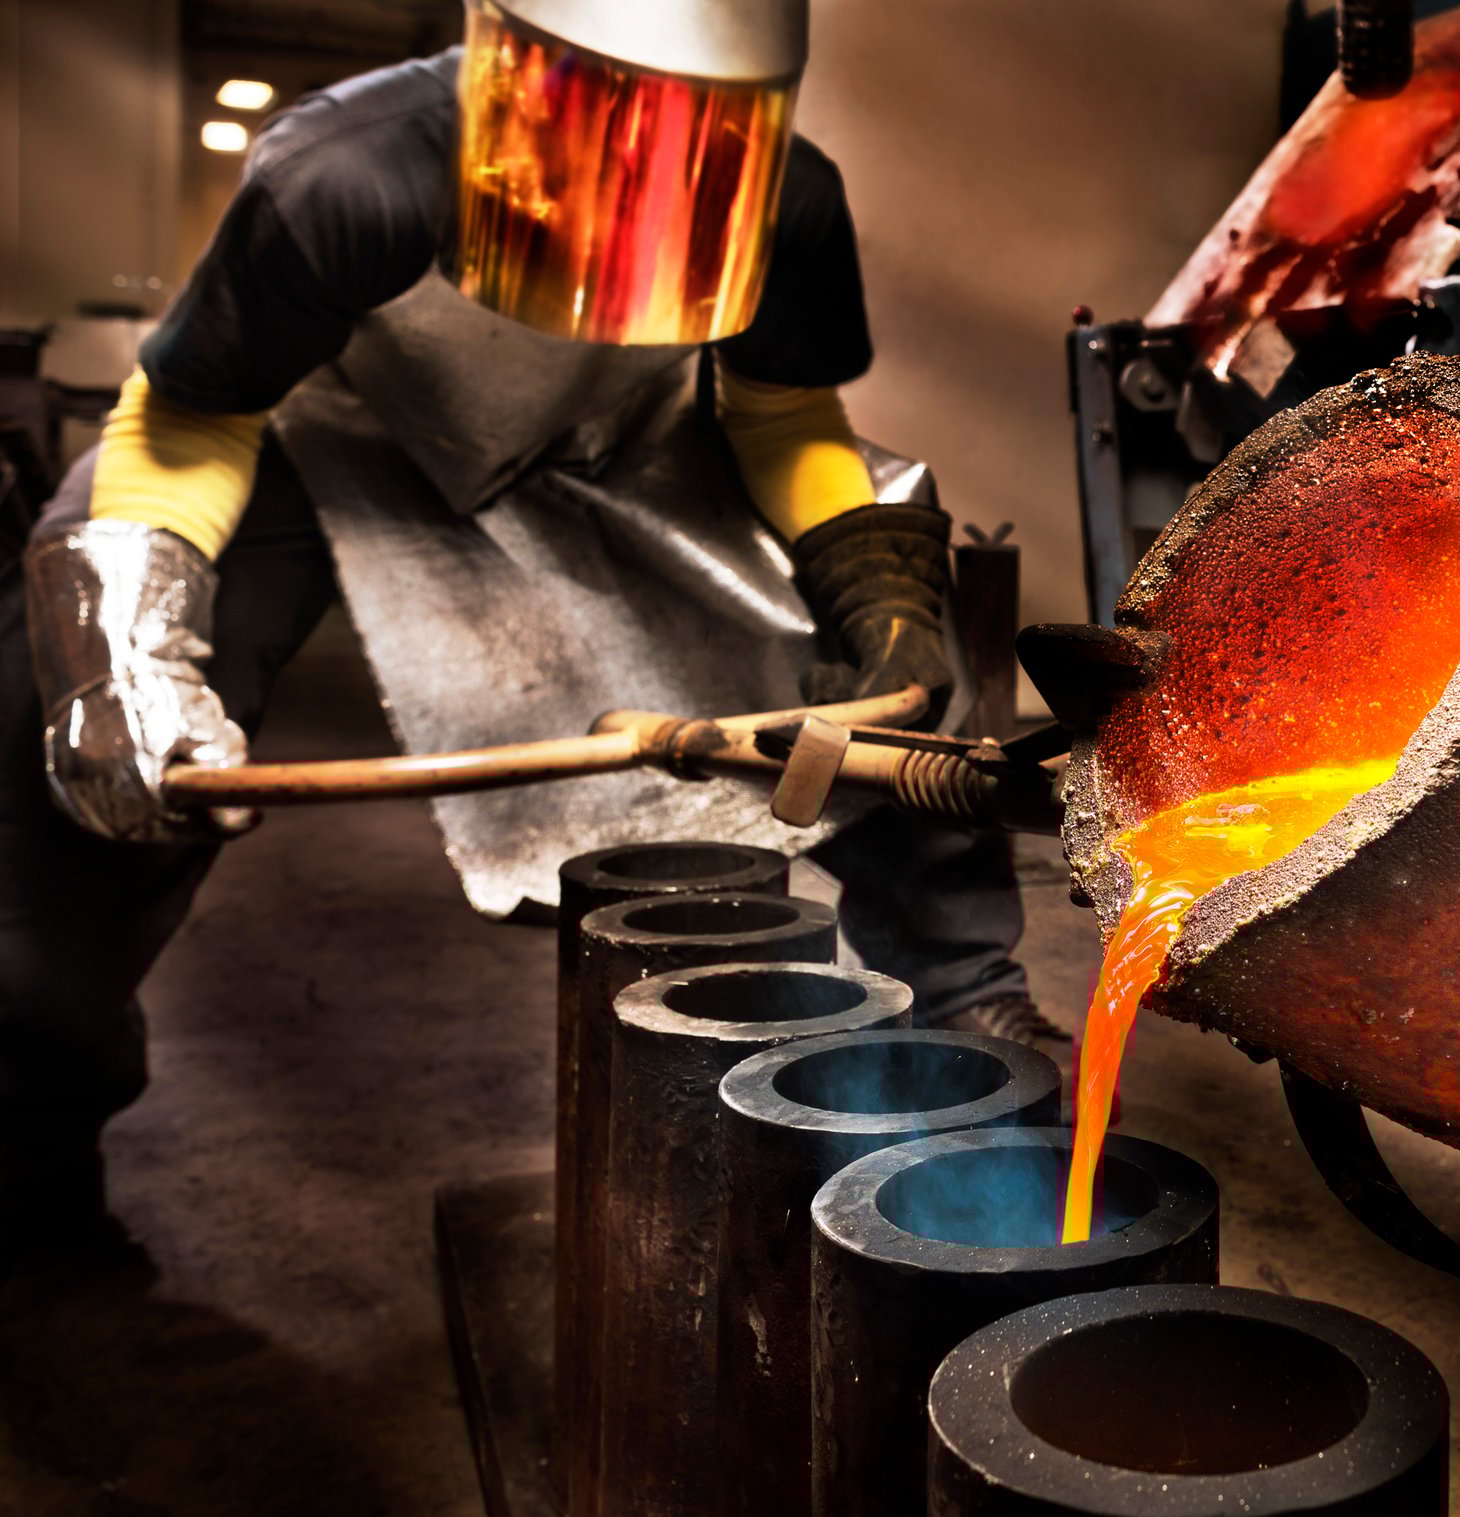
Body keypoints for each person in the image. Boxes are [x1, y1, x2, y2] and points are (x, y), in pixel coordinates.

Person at [1, 0, 1065, 1239]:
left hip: (612, 448)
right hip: (328, 440)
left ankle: (966, 1008)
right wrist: (126, 654)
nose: (645, 181)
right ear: (510, 70)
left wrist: (880, 596)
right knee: (85, 727)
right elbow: (187, 420)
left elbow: (783, 420)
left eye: (702, 145)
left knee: (884, 671)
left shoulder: (792, 200)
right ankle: (26, 1112)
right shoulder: (346, 175)